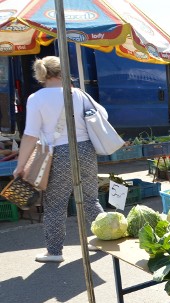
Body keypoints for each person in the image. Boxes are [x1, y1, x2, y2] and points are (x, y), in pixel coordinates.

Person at [13, 56, 105, 263]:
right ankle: (105, 237)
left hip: (58, 153)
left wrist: (21, 165)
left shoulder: (36, 98)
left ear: (41, 75)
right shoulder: (79, 94)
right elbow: (103, 115)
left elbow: (30, 135)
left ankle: (54, 252)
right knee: (91, 199)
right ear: (63, 72)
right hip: (85, 150)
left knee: (56, 204)